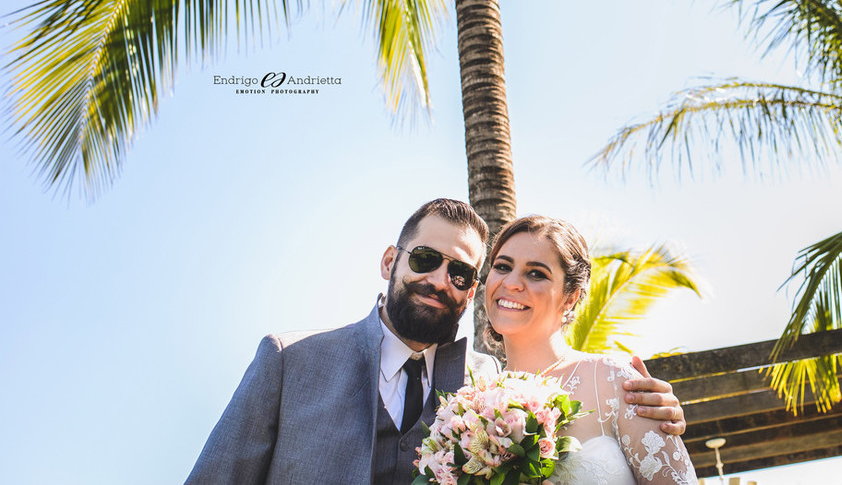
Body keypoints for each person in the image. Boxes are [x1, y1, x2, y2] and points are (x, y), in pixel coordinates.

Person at [186, 198, 685, 484]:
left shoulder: (485, 384)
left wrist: (653, 416)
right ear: (390, 261)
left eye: (462, 273)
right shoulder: (291, 361)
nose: (440, 280)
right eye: (425, 259)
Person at [485, 215, 698, 484]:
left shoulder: (613, 380)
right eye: (502, 267)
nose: (511, 283)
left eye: (536, 273)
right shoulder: (475, 404)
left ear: (570, 297)